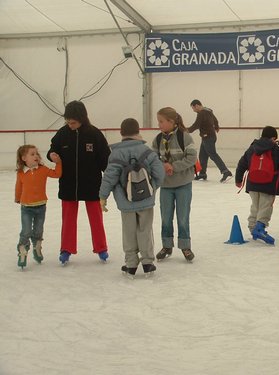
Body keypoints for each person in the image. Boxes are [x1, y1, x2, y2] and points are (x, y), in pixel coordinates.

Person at [99, 118, 165, 277]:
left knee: (129, 232)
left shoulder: (116, 153)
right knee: (145, 230)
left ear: (121, 133)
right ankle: (148, 263)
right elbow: (160, 174)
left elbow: (109, 177)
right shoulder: (147, 151)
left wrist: (103, 196)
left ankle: (131, 265)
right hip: (146, 201)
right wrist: (152, 187)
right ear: (138, 131)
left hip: (125, 202)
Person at [47, 100, 110, 265]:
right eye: (67, 121)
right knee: (68, 219)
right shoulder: (62, 133)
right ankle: (66, 249)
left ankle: (101, 248)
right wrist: (52, 155)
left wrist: (112, 180)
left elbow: (105, 160)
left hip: (92, 184)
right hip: (68, 185)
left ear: (82, 118)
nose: (70, 125)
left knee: (96, 218)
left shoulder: (95, 134)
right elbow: (52, 149)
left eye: (73, 122)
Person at [235, 126, 279, 244]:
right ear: (273, 138)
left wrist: (238, 179)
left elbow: (242, 163)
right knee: (266, 206)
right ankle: (259, 228)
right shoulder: (274, 148)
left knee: (255, 205)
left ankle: (252, 227)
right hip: (268, 184)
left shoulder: (252, 148)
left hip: (252, 183)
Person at [153, 107, 198, 262]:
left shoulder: (185, 137)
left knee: (183, 217)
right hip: (166, 186)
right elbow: (152, 158)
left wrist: (174, 166)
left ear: (171, 122)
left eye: (161, 121)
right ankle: (167, 246)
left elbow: (192, 157)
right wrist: (162, 166)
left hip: (183, 184)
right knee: (165, 217)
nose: (159, 124)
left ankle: (185, 246)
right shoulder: (158, 139)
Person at [15, 145, 62, 269]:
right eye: (32, 154)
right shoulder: (21, 173)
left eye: (36, 154)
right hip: (26, 207)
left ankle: (37, 247)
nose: (36, 156)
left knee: (38, 230)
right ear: (24, 158)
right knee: (26, 231)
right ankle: (23, 252)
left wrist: (58, 163)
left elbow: (57, 174)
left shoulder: (43, 169)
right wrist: (17, 197)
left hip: (41, 206)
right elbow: (18, 186)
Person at [187, 99, 232, 183]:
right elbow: (215, 120)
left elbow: (196, 125)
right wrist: (216, 127)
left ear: (196, 105)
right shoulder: (208, 110)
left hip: (208, 137)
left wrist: (186, 131)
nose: (193, 110)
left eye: (193, 108)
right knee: (202, 156)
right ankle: (202, 174)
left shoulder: (201, 113)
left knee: (213, 154)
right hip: (208, 136)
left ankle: (225, 171)